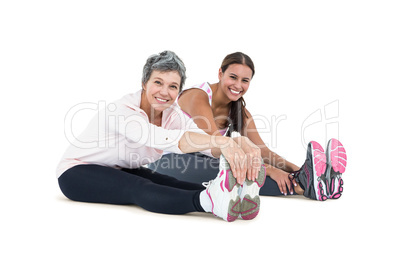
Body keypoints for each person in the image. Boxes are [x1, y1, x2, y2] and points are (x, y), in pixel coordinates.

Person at [56, 51, 267, 222]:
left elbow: (203, 143)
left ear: (179, 91)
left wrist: (238, 142)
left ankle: (232, 197)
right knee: (139, 188)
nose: (164, 92)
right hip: (76, 173)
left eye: (173, 86)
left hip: (117, 168)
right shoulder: (122, 110)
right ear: (144, 83)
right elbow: (162, 138)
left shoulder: (172, 114)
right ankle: (208, 202)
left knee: (166, 180)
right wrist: (223, 141)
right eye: (158, 82)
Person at [149, 52, 347, 201]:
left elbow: (263, 151)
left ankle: (313, 180)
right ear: (220, 73)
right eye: (233, 77)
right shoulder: (197, 96)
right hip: (169, 162)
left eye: (245, 80)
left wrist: (299, 168)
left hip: (208, 158)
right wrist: (269, 170)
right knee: (234, 170)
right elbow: (216, 146)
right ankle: (303, 186)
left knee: (240, 165)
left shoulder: (239, 111)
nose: (238, 85)